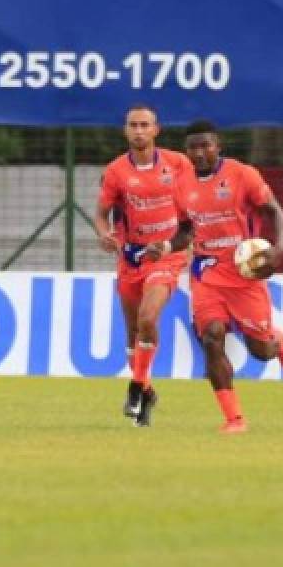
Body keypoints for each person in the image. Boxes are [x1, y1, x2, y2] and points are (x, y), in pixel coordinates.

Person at [155, 120, 283, 434]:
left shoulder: (242, 175)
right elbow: (185, 231)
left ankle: (278, 342)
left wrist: (278, 248)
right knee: (211, 338)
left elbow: (274, 210)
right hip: (206, 275)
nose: (200, 152)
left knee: (260, 353)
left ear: (218, 146)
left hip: (245, 276)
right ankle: (234, 419)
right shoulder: (180, 184)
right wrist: (166, 246)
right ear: (187, 151)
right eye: (193, 147)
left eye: (206, 145)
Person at [94, 105, 190, 427]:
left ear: (156, 130)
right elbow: (101, 213)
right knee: (133, 333)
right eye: (133, 125)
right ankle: (146, 392)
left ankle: (135, 388)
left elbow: (194, 207)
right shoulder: (116, 171)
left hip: (166, 255)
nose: (138, 130)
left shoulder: (177, 164)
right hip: (131, 256)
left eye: (144, 125)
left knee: (149, 318)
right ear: (126, 131)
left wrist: (177, 241)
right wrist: (103, 234)